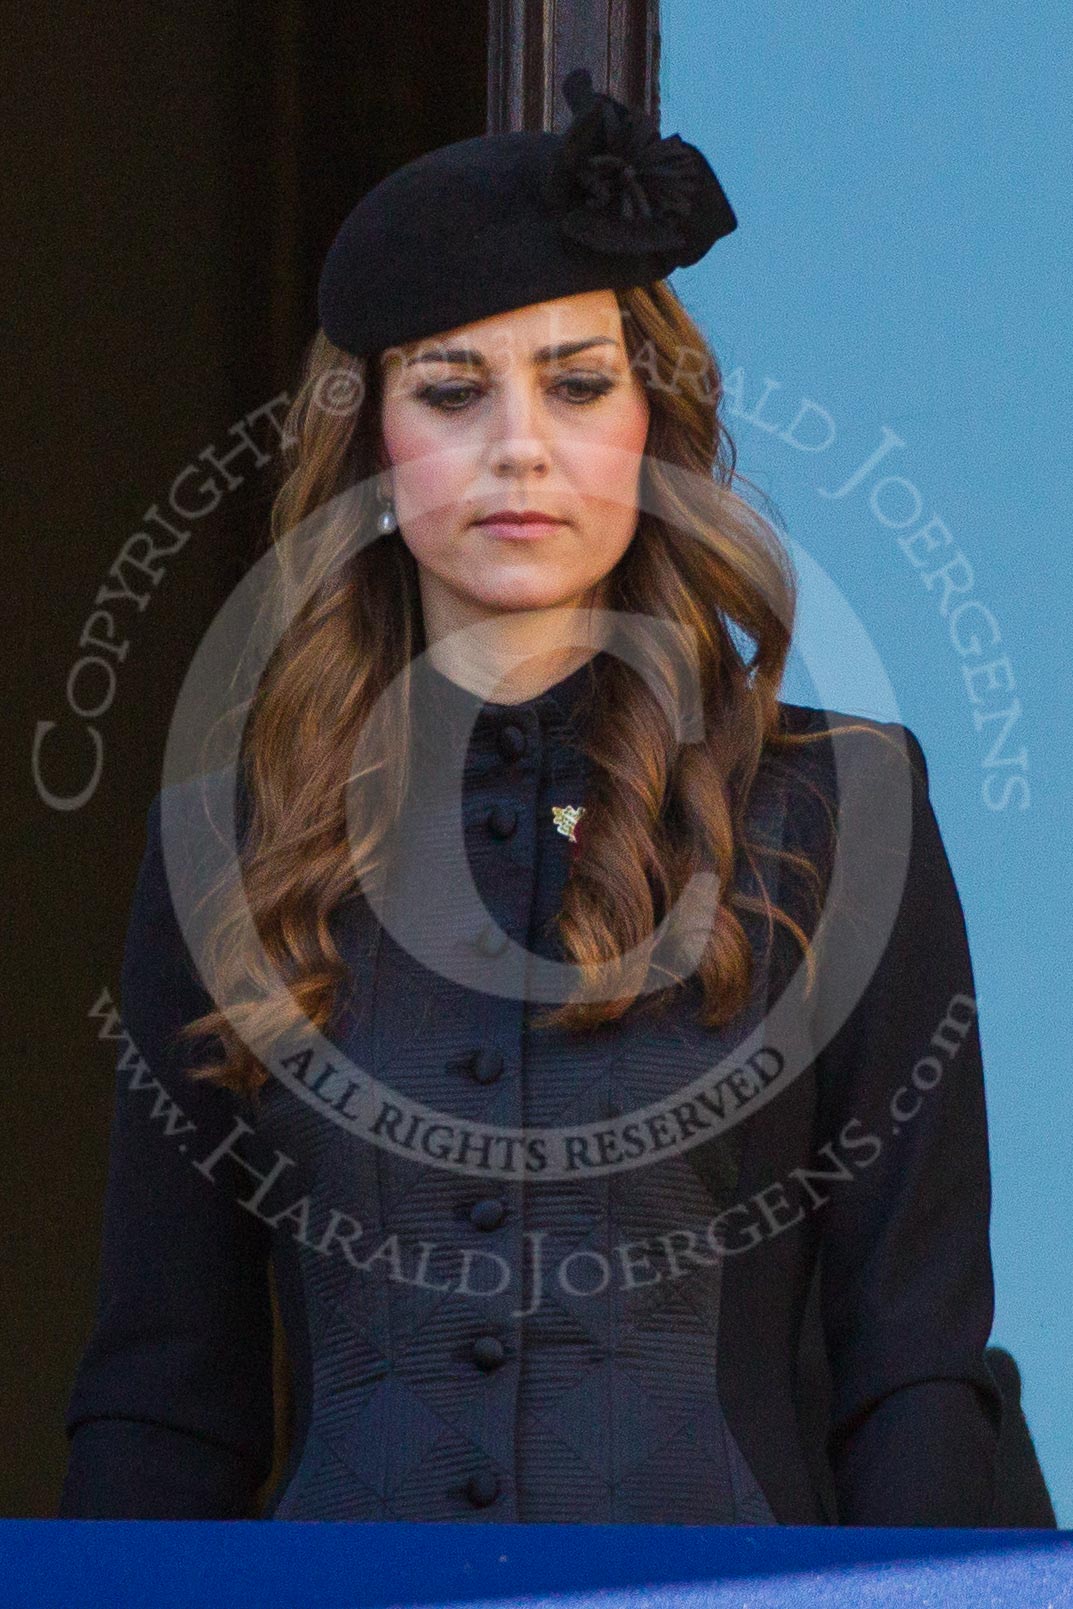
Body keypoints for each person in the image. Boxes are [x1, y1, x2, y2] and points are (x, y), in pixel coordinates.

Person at [58, 68, 1003, 1525]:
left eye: (575, 382)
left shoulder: (841, 806)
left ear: (650, 421)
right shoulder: (227, 840)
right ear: (371, 436)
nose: (519, 445)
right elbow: (162, 1397)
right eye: (450, 389)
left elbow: (915, 1365)